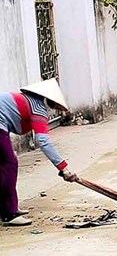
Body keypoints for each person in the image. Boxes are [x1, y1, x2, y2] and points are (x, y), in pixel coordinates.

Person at [0, 79, 77, 227]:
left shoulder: (28, 100)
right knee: (9, 163)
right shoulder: (38, 109)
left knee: (5, 164)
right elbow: (43, 142)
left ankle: (9, 207)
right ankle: (9, 214)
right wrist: (64, 168)